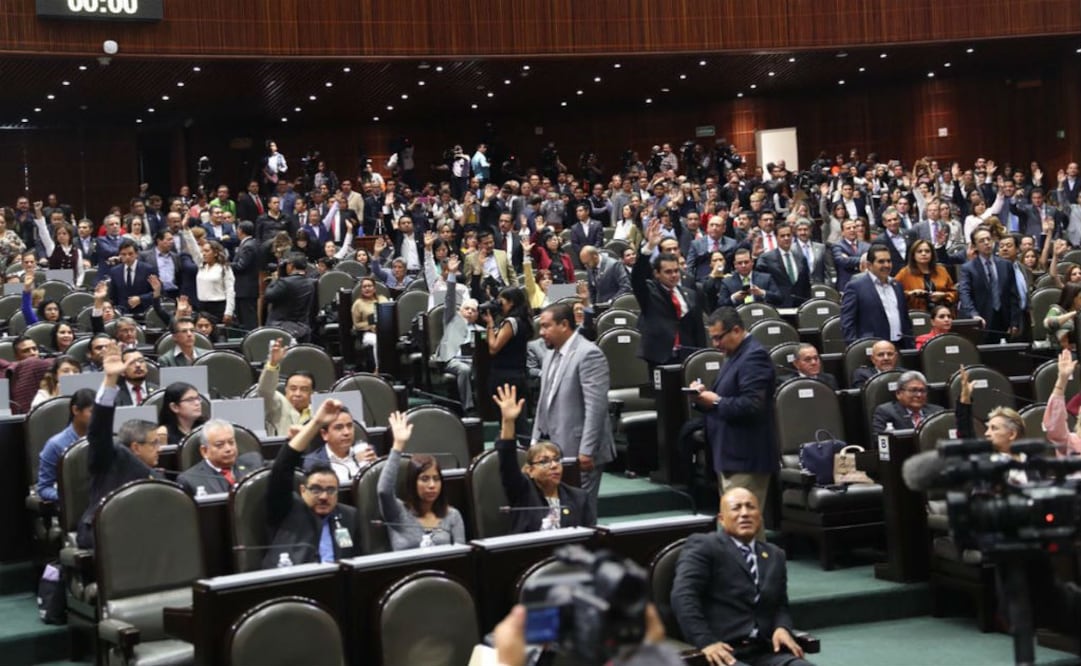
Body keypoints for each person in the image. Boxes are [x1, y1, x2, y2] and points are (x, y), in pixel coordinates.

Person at [671, 487, 812, 666]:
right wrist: (705, 642)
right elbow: (683, 596)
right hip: (722, 652)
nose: (744, 513)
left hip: (765, 650)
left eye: (750, 507)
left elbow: (779, 605)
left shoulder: (775, 555)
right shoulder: (704, 546)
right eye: (736, 508)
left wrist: (782, 627)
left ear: (760, 517)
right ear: (721, 519)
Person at [688, 308, 777, 536]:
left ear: (736, 330)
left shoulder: (754, 356)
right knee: (736, 529)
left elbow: (752, 406)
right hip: (730, 454)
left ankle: (756, 571)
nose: (715, 344)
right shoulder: (735, 354)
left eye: (719, 337)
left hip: (746, 456)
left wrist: (715, 401)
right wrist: (703, 398)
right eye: (713, 338)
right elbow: (729, 397)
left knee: (745, 528)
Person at [75, 344, 164, 549]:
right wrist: (110, 380)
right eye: (154, 443)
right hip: (105, 531)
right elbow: (98, 431)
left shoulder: (158, 476)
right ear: (135, 447)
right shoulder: (108, 459)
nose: (160, 448)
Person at [531, 303, 616, 511]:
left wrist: (586, 451)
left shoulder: (589, 354)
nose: (541, 332)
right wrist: (535, 441)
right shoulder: (550, 353)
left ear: (564, 325)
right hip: (554, 447)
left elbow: (596, 408)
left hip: (580, 452)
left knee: (581, 513)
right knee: (559, 511)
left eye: (546, 326)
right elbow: (545, 400)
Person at [263, 398, 360, 568]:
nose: (323, 496)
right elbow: (282, 469)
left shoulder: (349, 516)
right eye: (315, 489)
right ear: (302, 490)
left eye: (330, 490)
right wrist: (316, 423)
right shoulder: (287, 509)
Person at [493, 384, 595, 533]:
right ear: (530, 470)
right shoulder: (522, 492)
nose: (554, 465)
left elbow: (590, 537)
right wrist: (508, 422)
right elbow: (507, 461)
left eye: (556, 460)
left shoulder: (578, 497)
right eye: (544, 461)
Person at [378, 411, 466, 550]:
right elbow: (384, 491)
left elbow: (461, 555)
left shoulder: (452, 516)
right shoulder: (398, 513)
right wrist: (398, 445)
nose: (432, 485)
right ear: (413, 482)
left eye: (436, 479)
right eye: (424, 479)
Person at [633, 220, 707, 367]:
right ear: (657, 274)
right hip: (659, 357)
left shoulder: (690, 293)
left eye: (675, 271)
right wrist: (649, 247)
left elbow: (698, 330)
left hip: (687, 356)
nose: (673, 275)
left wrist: (701, 355)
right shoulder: (649, 292)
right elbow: (637, 277)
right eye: (668, 272)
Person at [432, 260, 482, 414]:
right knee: (464, 369)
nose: (469, 312)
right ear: (460, 311)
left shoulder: (480, 330)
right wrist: (452, 274)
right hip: (453, 360)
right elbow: (449, 300)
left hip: (474, 360)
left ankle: (488, 406)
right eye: (466, 309)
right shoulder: (451, 321)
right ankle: (469, 408)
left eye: (473, 310)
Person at [482, 286, 533, 437]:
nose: (499, 305)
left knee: (508, 422)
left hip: (505, 377)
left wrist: (490, 324)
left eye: (501, 302)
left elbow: (493, 348)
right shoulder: (523, 320)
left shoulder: (511, 322)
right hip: (518, 374)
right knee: (520, 421)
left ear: (511, 303)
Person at [840, 243, 912, 348]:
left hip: (900, 345)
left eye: (888, 261)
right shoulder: (855, 286)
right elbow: (847, 323)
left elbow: (905, 319)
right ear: (869, 265)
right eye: (881, 262)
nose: (886, 265)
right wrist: (855, 348)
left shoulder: (897, 285)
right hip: (872, 347)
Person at [957, 228, 1021, 344]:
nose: (987, 243)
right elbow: (965, 294)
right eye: (982, 241)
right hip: (982, 318)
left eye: (988, 239)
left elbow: (1013, 295)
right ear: (975, 246)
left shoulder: (1006, 265)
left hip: (1003, 318)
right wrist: (973, 315)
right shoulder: (968, 268)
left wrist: (1014, 321)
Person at [176, 419, 264, 496]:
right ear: (204, 451)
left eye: (231, 442)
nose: (228, 449)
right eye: (219, 445)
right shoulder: (190, 480)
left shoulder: (254, 462)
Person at [36, 389, 94, 502]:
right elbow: (44, 488)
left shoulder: (106, 440)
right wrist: (68, 499)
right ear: (76, 410)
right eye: (92, 412)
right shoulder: (55, 445)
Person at [301, 404, 376, 483]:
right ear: (324, 434)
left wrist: (374, 467)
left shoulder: (366, 453)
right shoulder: (313, 463)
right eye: (339, 427)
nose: (347, 432)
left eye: (349, 426)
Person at [259, 339, 315, 437]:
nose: (297, 394)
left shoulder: (319, 409)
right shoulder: (278, 404)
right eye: (293, 388)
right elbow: (265, 391)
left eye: (304, 389)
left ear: (312, 393)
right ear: (286, 390)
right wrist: (273, 364)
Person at [870, 370, 944, 435]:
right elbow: (879, 441)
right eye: (913, 390)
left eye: (922, 391)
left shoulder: (937, 412)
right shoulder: (885, 412)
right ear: (898, 393)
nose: (919, 395)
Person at [264, 252, 318, 341]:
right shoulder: (311, 283)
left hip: (280, 330)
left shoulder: (285, 283)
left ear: (291, 265)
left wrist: (275, 280)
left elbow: (268, 296)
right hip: (303, 329)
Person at [754, 223, 810, 307]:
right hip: (777, 305)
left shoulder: (801, 257)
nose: (786, 238)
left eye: (788, 235)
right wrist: (754, 257)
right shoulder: (766, 258)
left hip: (800, 305)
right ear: (776, 238)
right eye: (782, 236)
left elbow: (806, 284)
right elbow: (759, 281)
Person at [894, 238, 956, 313]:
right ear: (913, 255)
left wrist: (944, 295)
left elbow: (954, 293)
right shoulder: (904, 273)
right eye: (919, 251)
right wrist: (910, 294)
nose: (923, 254)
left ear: (932, 254)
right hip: (916, 314)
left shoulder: (941, 270)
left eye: (927, 251)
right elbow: (893, 293)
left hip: (941, 314)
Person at [717, 248, 781, 307]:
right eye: (740, 263)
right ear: (735, 265)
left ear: (752, 262)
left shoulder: (766, 278)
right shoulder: (727, 282)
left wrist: (762, 293)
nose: (743, 265)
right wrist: (734, 298)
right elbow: (720, 304)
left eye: (746, 262)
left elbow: (779, 298)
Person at [107, 239, 157, 315]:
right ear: (119, 255)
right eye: (123, 254)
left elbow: (158, 292)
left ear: (137, 254)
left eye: (130, 254)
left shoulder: (148, 269)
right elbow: (113, 296)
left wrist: (141, 299)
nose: (127, 257)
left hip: (143, 313)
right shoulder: (114, 271)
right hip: (122, 315)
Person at [231, 220, 261, 330]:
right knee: (245, 318)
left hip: (246, 289)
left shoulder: (248, 246)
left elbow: (241, 266)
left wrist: (226, 264)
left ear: (241, 231)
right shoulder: (253, 243)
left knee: (248, 320)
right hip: (246, 288)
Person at [1042, 283, 1081, 352]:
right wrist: (1073, 313)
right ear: (1072, 298)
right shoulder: (1055, 310)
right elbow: (1047, 323)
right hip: (1057, 350)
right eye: (1080, 298)